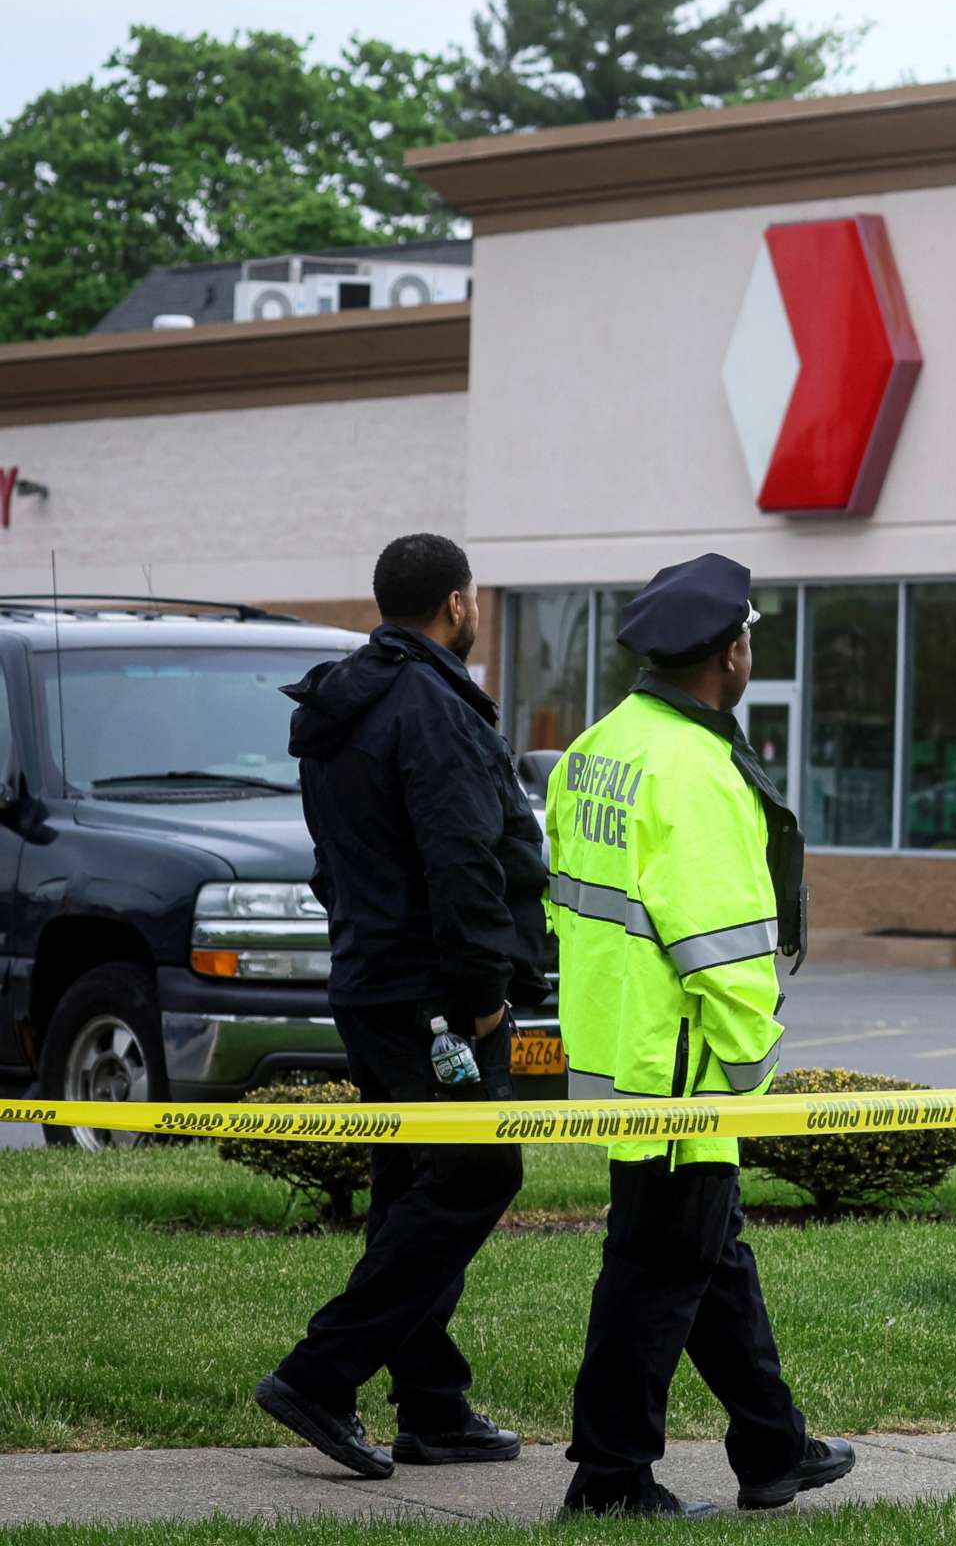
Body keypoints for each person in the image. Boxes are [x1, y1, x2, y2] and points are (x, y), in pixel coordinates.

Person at [549, 553, 855, 1519]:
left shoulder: (597, 747)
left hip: (617, 1057)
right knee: (654, 1275)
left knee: (707, 1256)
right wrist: (755, 1065)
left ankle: (775, 1449)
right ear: (731, 654)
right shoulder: (700, 774)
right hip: (680, 1075)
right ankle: (609, 1480)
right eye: (751, 639)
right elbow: (719, 955)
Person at [257, 533, 544, 1479]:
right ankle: (319, 1375)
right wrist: (482, 999)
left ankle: (433, 1405)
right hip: (435, 998)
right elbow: (462, 858)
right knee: (474, 1179)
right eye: (477, 599)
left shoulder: (352, 701)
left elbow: (332, 858)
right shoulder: (430, 706)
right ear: (456, 605)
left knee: (408, 1188)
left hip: (371, 984)